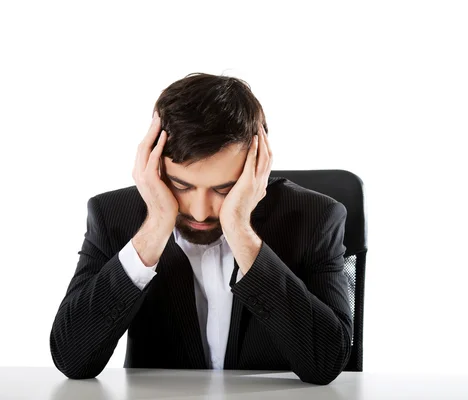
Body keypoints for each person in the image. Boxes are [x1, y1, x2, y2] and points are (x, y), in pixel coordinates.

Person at [49, 73, 352, 385]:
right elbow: (73, 360)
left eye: (224, 189)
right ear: (152, 164)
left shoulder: (316, 218)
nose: (200, 210)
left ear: (258, 167)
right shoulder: (113, 216)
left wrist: (240, 231)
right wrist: (154, 228)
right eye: (181, 185)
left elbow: (326, 364)